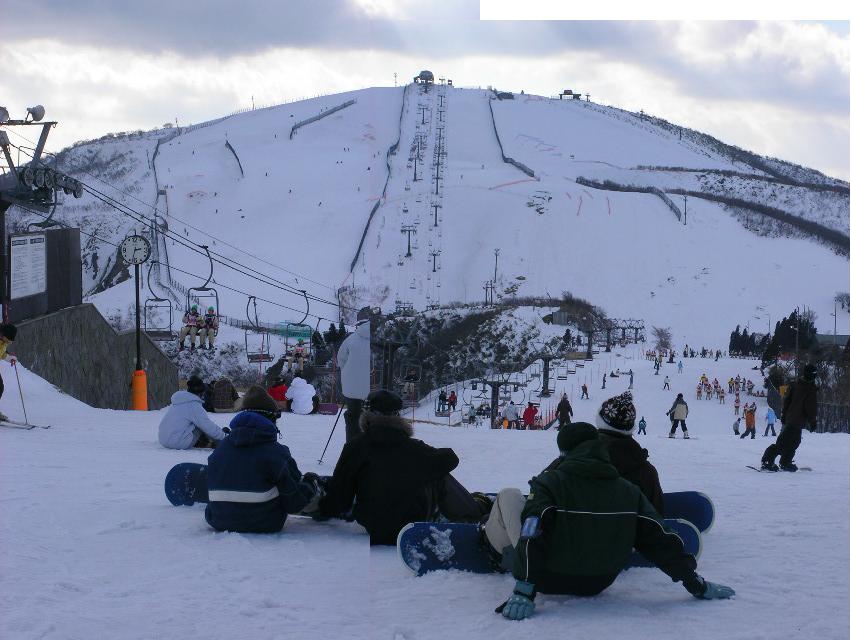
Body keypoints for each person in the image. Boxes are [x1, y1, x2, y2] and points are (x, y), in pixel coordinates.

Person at [484, 423, 734, 621]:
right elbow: (659, 538)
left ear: (565, 452)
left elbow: (532, 531)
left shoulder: (549, 483)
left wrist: (525, 588)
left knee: (508, 495)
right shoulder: (629, 491)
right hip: (599, 581)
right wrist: (695, 583)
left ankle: (493, 543)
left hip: (546, 578)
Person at [317, 390, 489, 545]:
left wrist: (323, 506)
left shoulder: (355, 448)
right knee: (438, 472)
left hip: (374, 526)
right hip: (411, 524)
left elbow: (340, 498)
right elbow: (451, 459)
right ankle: (472, 511)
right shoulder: (415, 449)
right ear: (398, 417)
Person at [205, 386, 320, 533]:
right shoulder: (276, 453)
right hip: (266, 522)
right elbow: (294, 504)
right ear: (271, 418)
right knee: (289, 482)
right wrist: (310, 485)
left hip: (218, 520)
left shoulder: (220, 449)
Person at [761, 364, 818, 472]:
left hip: (792, 419)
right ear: (812, 375)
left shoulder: (795, 385)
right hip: (796, 420)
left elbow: (787, 401)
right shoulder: (809, 389)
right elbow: (810, 407)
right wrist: (813, 421)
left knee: (794, 442)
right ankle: (768, 461)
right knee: (783, 443)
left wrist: (784, 415)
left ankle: (785, 462)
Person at [158, 376, 227, 449]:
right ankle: (210, 444)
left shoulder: (179, 401)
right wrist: (223, 436)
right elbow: (207, 426)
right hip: (177, 443)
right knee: (200, 426)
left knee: (194, 423)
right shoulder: (194, 405)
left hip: (163, 440)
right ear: (201, 392)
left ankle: (207, 441)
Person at [337, 314, 370, 442]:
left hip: (352, 388)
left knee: (353, 417)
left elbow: (341, 360)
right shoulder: (378, 339)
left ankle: (352, 447)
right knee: (372, 417)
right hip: (372, 389)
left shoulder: (351, 339)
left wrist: (347, 372)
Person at [0, 323, 18, 422]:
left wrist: (9, 357)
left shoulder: (4, 341)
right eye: (9, 339)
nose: (9, 342)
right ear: (3, 334)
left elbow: (1, 353)